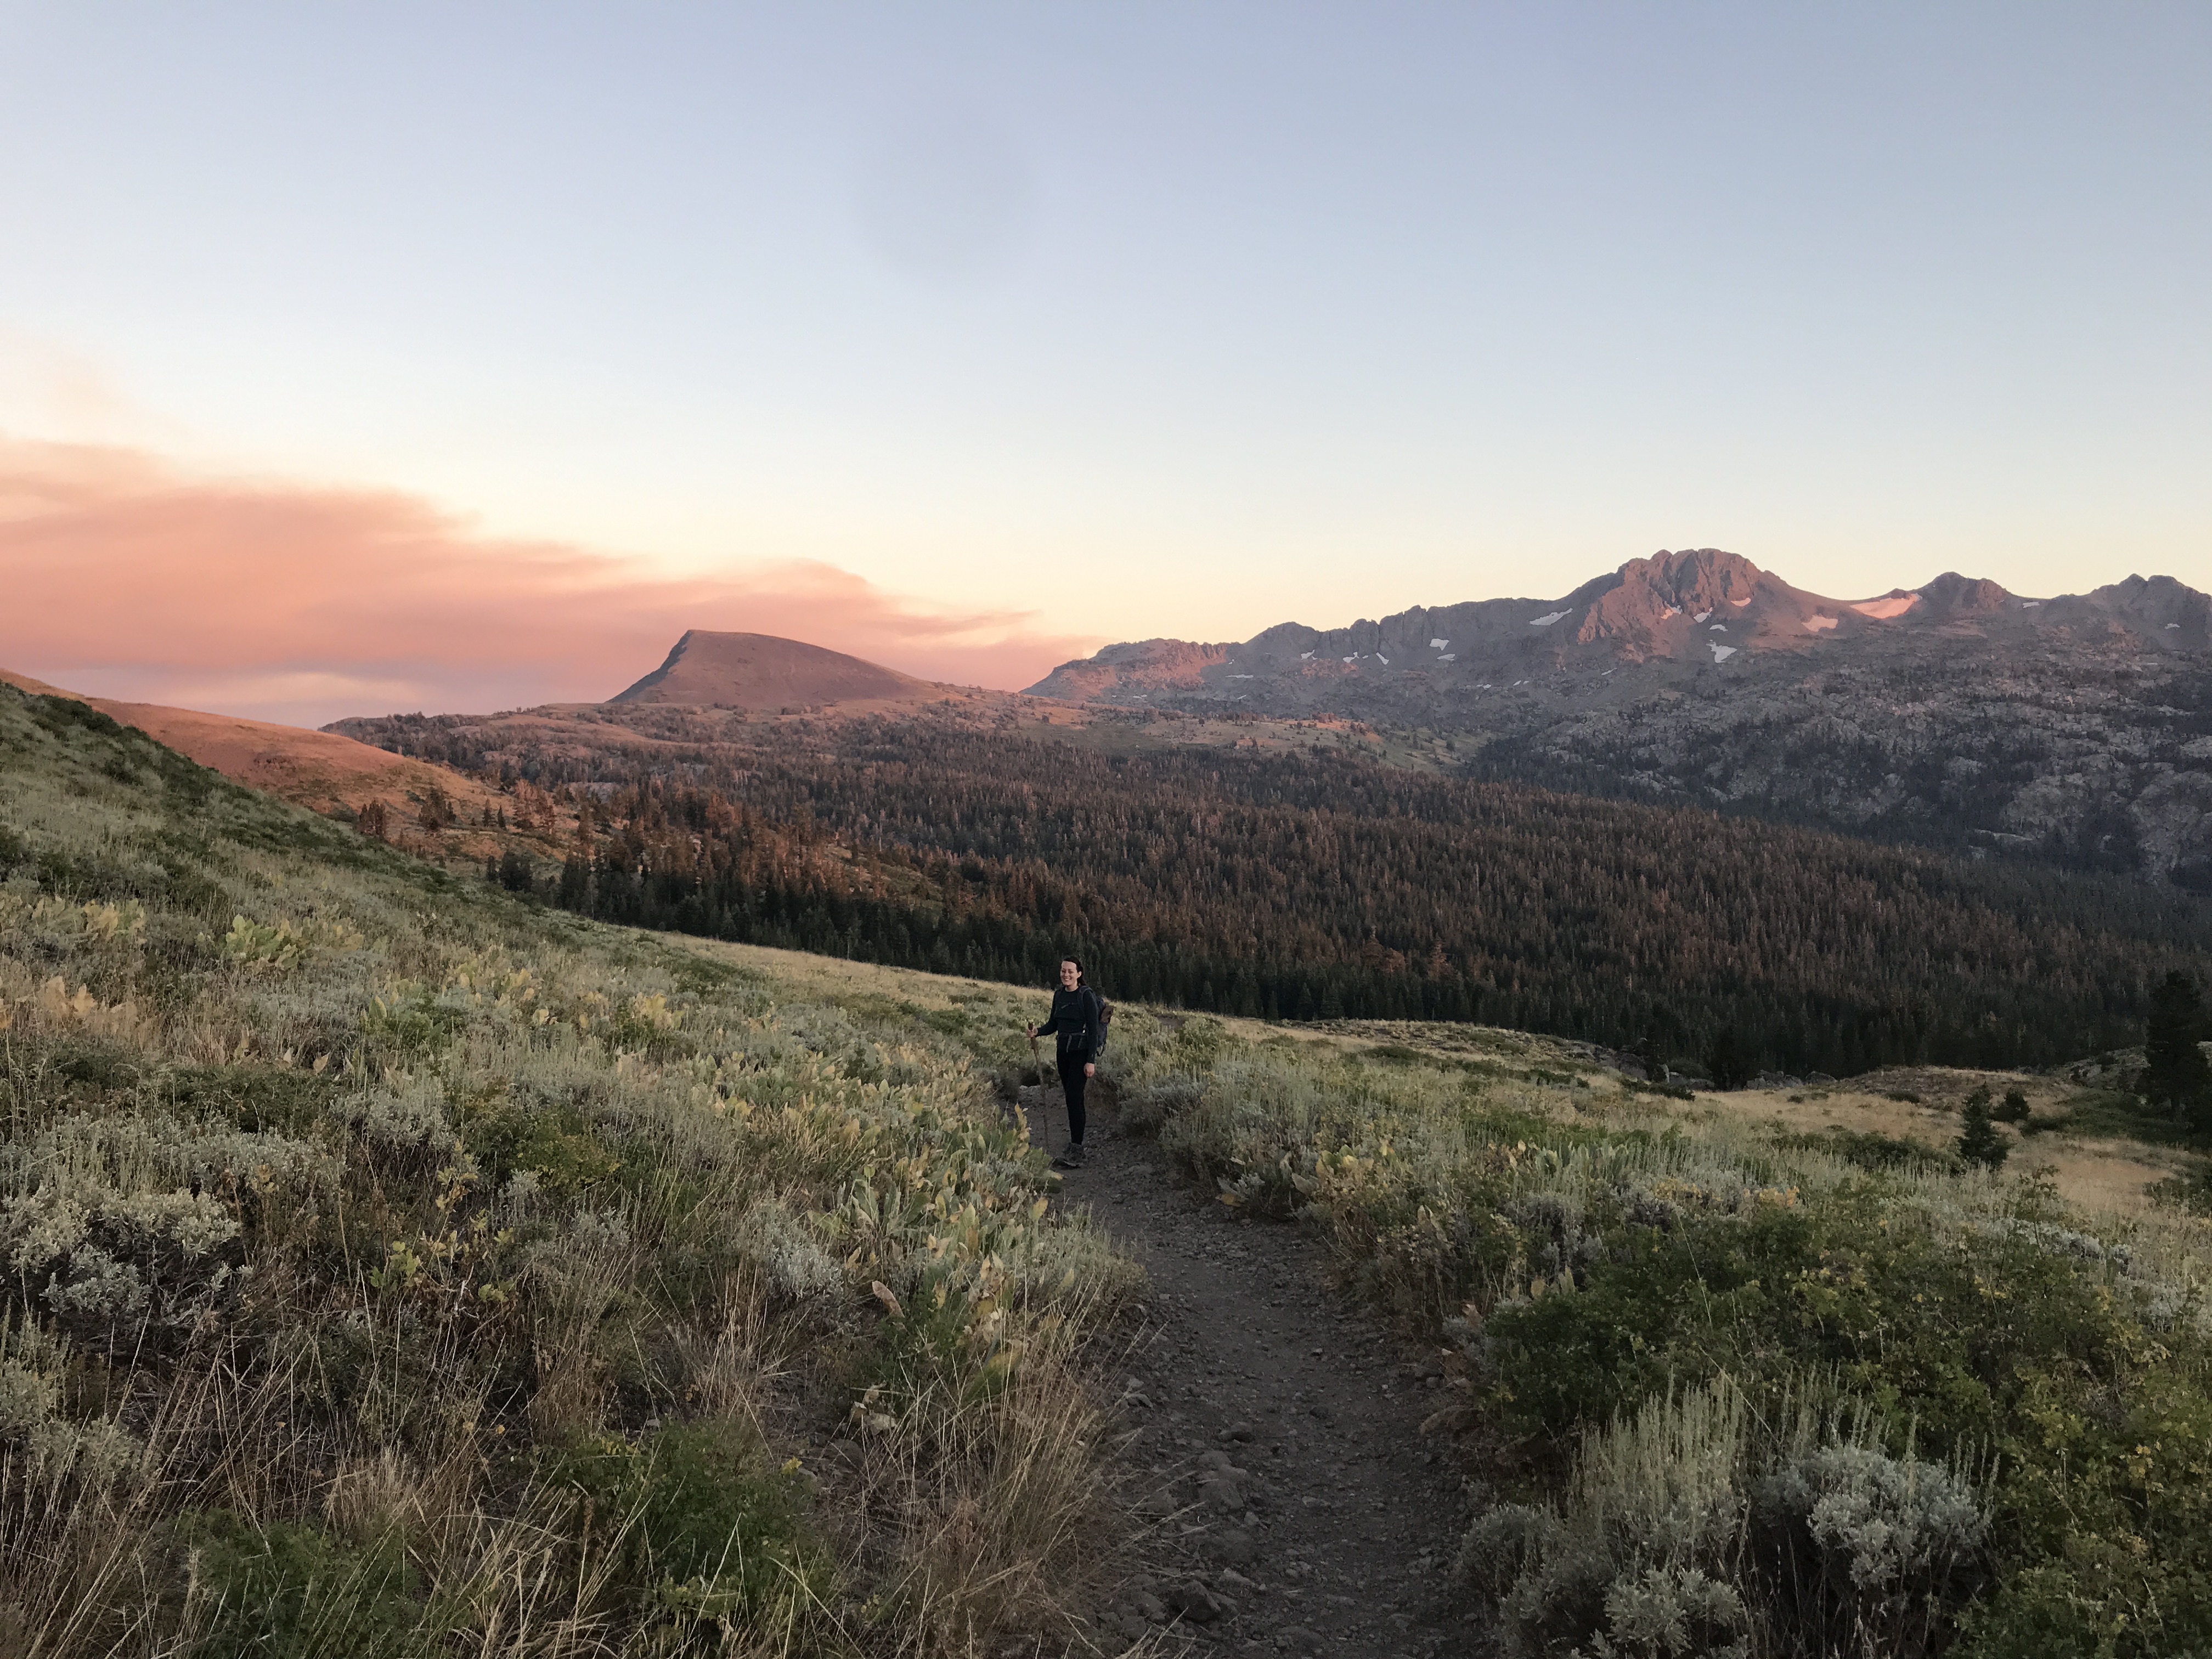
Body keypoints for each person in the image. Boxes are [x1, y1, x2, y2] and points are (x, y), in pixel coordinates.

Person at [1028, 956, 1103, 1168]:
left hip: (1080, 1054)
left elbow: (1093, 1032)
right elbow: (1054, 1023)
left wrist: (1091, 1061)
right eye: (1063, 971)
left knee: (1074, 1097)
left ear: (1079, 974)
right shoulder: (1059, 995)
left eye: (1070, 971)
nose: (1066, 975)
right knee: (1071, 1098)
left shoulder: (1086, 996)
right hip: (1063, 1053)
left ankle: (1077, 1148)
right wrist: (1038, 1032)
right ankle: (1074, 1145)